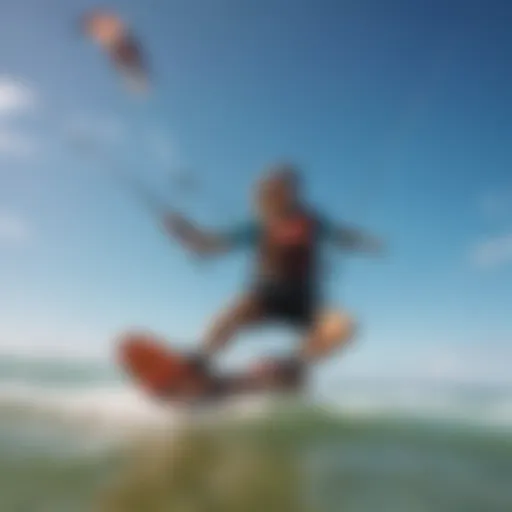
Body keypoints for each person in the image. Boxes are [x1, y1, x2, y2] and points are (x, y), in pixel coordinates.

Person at [166, 163, 383, 396]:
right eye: (270, 191)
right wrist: (185, 232)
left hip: (305, 303)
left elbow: (342, 235)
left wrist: (365, 242)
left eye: (282, 189)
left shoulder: (314, 222)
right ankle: (198, 363)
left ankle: (290, 367)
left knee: (345, 325)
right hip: (264, 297)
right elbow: (210, 245)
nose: (274, 195)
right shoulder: (257, 226)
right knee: (235, 309)